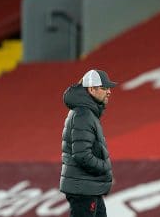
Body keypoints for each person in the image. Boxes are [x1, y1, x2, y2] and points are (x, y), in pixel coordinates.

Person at [60, 69, 117, 217]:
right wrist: (104, 167)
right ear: (91, 89)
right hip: (83, 189)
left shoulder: (86, 113)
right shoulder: (83, 114)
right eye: (104, 88)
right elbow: (82, 155)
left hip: (88, 187)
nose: (109, 92)